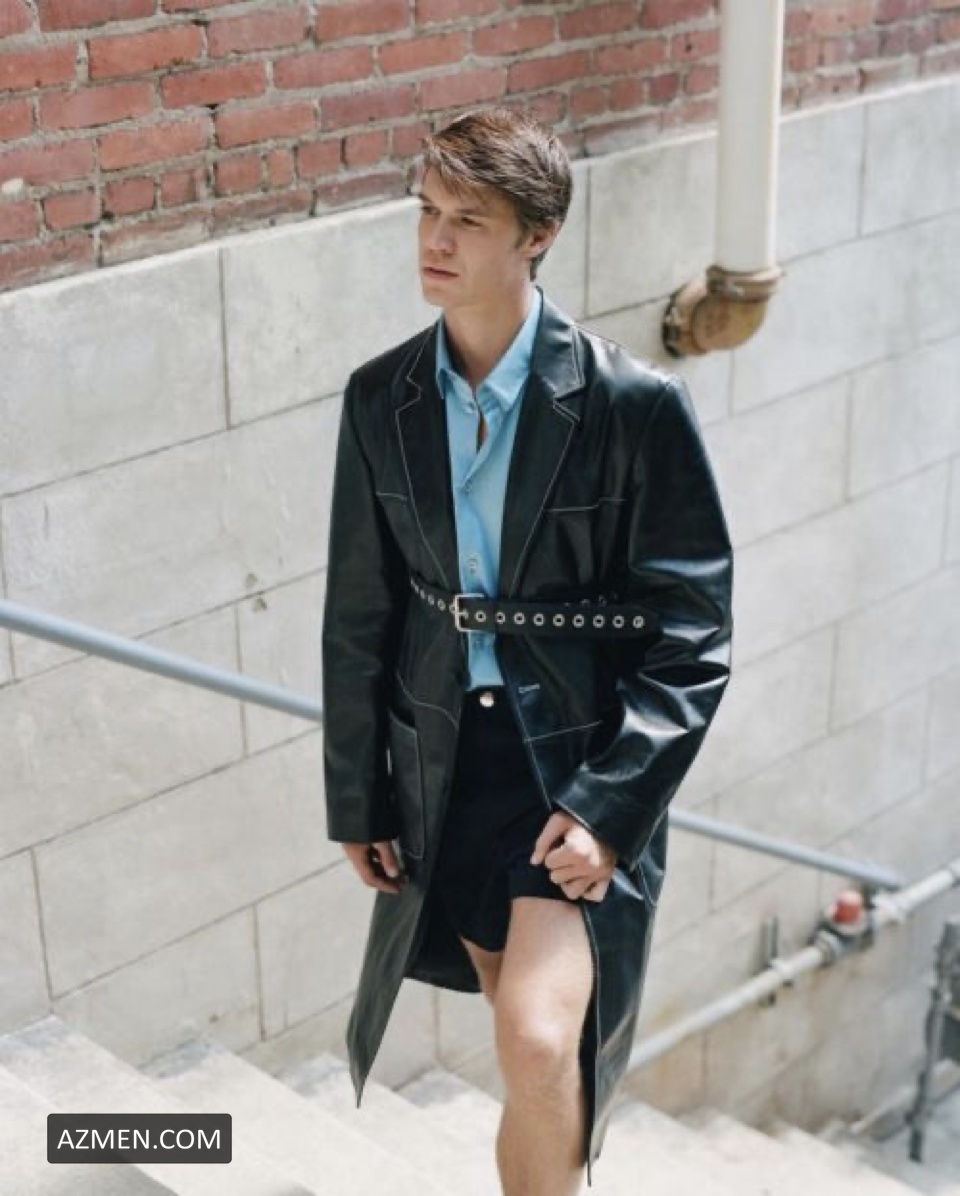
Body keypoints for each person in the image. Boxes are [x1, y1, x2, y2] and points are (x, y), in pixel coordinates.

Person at [321, 106, 734, 1196]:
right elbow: (359, 613)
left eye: (468, 219)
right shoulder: (381, 398)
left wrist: (611, 807)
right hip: (445, 766)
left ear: (538, 235)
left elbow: (692, 633)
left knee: (543, 1041)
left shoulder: (633, 406)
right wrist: (358, 795)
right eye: (427, 210)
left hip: (576, 764)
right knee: (525, 1045)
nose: (435, 239)